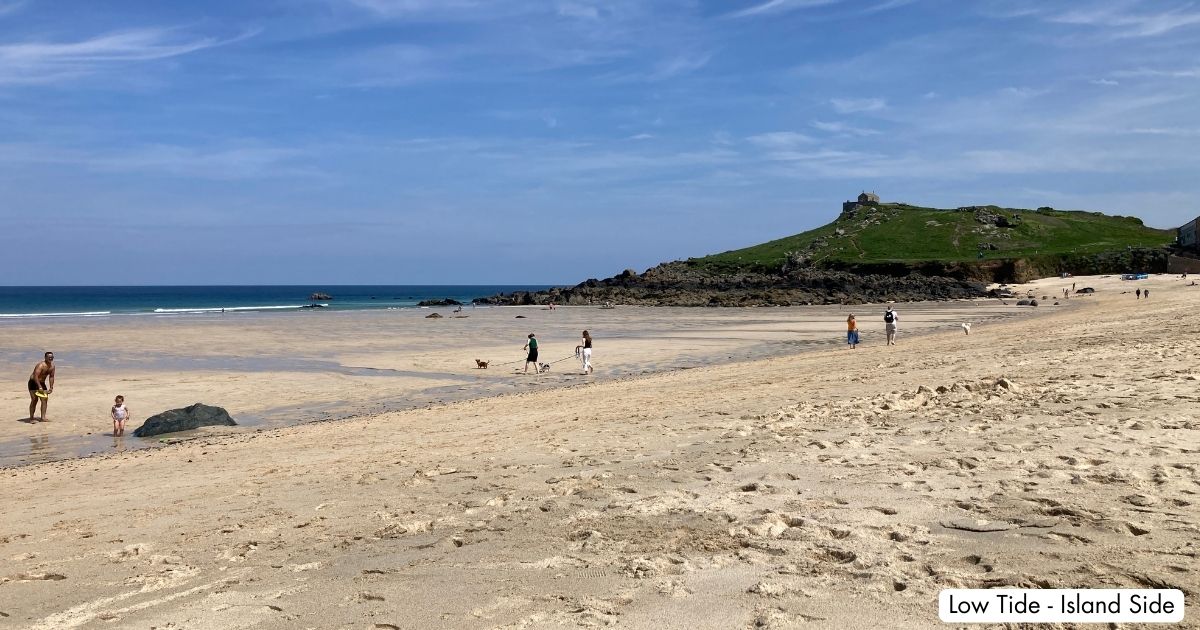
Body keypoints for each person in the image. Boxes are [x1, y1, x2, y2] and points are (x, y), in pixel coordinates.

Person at [27, 351, 55, 422]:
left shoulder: (52, 367)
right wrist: (39, 387)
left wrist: (51, 387)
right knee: (34, 400)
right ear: (45, 357)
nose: (50, 358)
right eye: (49, 357)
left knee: (44, 399)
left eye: (52, 357)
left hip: (42, 383)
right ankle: (31, 418)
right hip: (33, 382)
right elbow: (35, 376)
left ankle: (43, 417)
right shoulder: (40, 365)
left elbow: (51, 377)